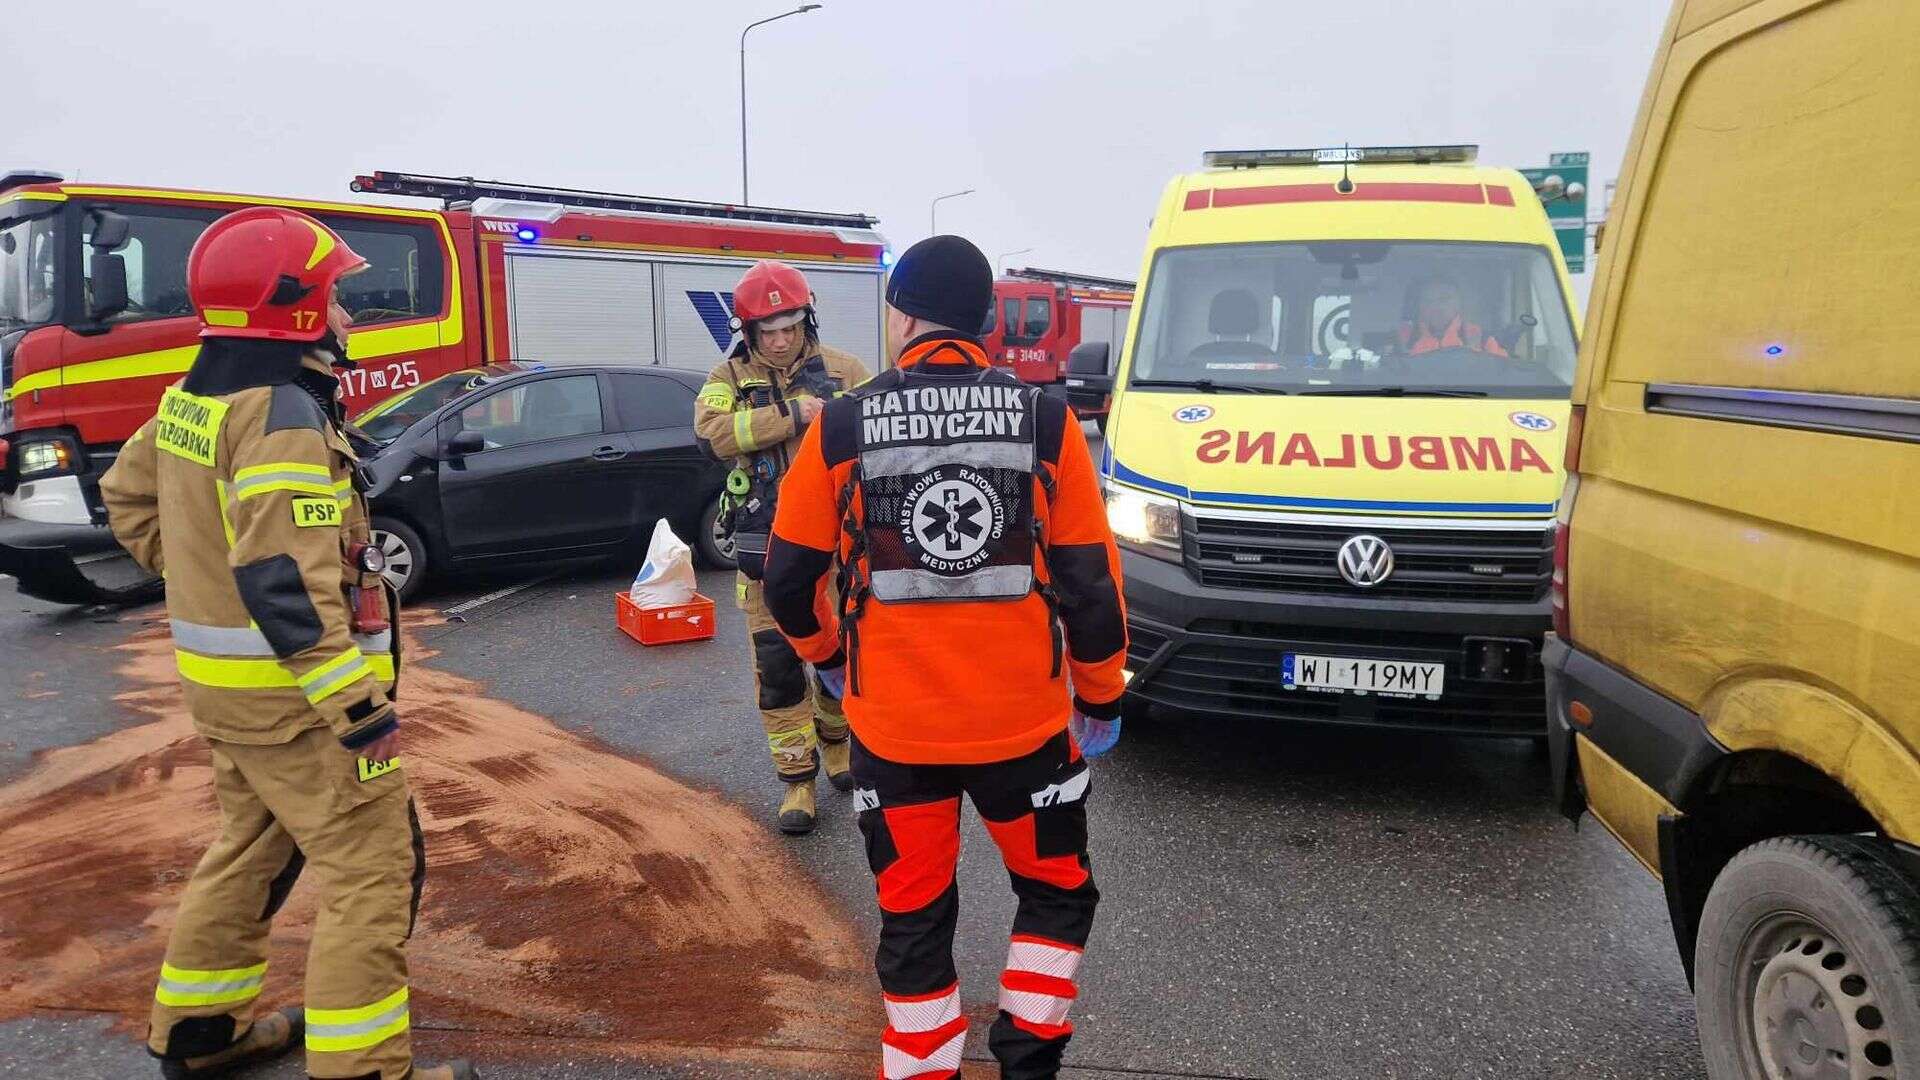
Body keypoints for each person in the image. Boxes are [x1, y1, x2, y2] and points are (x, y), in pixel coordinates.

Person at [101, 207, 474, 1080]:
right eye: (337, 296)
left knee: (252, 849)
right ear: (294, 308)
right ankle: (367, 1069)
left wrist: (199, 578)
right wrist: (357, 708)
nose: (348, 314)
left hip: (230, 698)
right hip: (301, 706)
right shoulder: (282, 416)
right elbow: (286, 584)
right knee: (374, 871)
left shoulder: (194, 398)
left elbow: (126, 498)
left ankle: (200, 1034)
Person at [762, 235, 1128, 1080]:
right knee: (1056, 892)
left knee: (915, 918)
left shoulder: (845, 423)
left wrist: (828, 656)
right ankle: (1028, 1061)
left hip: (894, 735)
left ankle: (924, 1070)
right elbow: (1090, 581)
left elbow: (787, 578)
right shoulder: (1044, 421)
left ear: (904, 318)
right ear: (985, 325)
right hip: (1024, 731)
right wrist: (1100, 697)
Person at [692, 260, 870, 834]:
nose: (780, 340)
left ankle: (839, 747)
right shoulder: (725, 379)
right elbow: (711, 436)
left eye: (790, 327)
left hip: (838, 556)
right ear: (749, 332)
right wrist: (795, 415)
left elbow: (876, 444)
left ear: (806, 321)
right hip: (764, 557)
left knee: (840, 659)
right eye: (767, 331)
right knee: (779, 673)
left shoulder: (847, 371)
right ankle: (798, 783)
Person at [1396, 276, 1508, 357]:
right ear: (1419, 306)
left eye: (1444, 299)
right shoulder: (1400, 339)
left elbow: (1503, 374)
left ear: (1459, 303)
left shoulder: (1481, 338)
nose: (1436, 306)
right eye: (1428, 300)